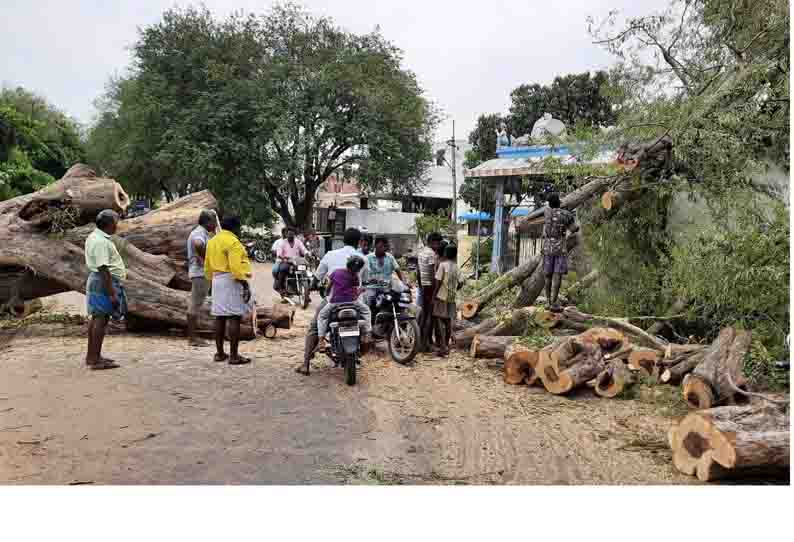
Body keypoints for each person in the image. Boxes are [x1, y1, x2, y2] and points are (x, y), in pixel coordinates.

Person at [298, 227, 369, 375]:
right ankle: (365, 337)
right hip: (355, 301)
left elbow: (317, 279)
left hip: (334, 300)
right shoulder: (364, 258)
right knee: (366, 314)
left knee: (314, 327)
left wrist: (312, 288)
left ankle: (305, 364)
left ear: (343, 240)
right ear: (359, 242)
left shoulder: (330, 255)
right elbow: (364, 283)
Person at [204, 215, 254, 365]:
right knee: (234, 317)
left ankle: (219, 353)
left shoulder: (212, 241)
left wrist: (211, 283)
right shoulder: (233, 242)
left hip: (216, 280)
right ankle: (233, 356)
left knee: (219, 317)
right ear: (235, 228)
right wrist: (245, 284)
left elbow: (207, 266)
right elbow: (235, 268)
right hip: (231, 280)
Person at [84, 209, 127, 370]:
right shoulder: (101, 241)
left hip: (100, 281)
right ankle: (95, 359)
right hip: (103, 282)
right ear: (109, 224)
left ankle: (93, 356)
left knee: (97, 318)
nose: (118, 225)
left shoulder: (96, 237)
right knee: (100, 320)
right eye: (116, 221)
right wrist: (112, 294)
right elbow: (103, 269)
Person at [315, 256, 372, 352]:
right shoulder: (355, 276)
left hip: (335, 302)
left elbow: (329, 287)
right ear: (359, 269)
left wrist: (326, 294)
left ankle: (321, 341)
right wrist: (361, 290)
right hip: (352, 302)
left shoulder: (336, 272)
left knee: (322, 316)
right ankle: (367, 333)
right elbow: (355, 292)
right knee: (366, 311)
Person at [542, 193, 579, 312]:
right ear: (558, 202)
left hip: (547, 247)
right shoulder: (565, 214)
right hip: (560, 248)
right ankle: (554, 303)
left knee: (548, 275)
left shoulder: (546, 212)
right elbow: (574, 228)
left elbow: (550, 209)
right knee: (557, 274)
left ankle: (547, 302)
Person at [185, 209, 217, 346]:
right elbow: (198, 244)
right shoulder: (199, 233)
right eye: (213, 221)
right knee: (195, 304)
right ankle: (192, 338)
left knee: (196, 303)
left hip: (200, 272)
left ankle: (194, 337)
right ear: (207, 221)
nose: (215, 224)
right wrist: (207, 259)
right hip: (200, 273)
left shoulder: (203, 232)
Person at [416, 232, 443, 352]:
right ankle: (425, 344)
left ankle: (421, 340)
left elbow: (417, 271)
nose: (438, 246)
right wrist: (434, 292)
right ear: (433, 242)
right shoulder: (432, 255)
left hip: (423, 286)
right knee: (429, 317)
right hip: (430, 287)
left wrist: (421, 286)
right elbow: (433, 274)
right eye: (438, 243)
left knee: (423, 314)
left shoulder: (421, 252)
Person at [433, 244, 460, 356]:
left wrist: (434, 295)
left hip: (441, 297)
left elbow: (438, 282)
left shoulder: (443, 265)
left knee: (438, 320)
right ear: (455, 255)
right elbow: (462, 282)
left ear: (445, 254)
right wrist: (454, 289)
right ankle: (447, 346)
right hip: (451, 298)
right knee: (448, 321)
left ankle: (443, 347)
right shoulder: (456, 267)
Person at [274, 228, 307, 293]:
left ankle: (307, 289)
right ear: (286, 234)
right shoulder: (282, 242)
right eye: (289, 234)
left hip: (297, 261)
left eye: (292, 234)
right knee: (283, 269)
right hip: (286, 261)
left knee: (305, 270)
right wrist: (283, 258)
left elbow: (304, 249)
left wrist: (307, 253)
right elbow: (279, 254)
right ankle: (281, 287)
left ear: (294, 234)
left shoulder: (298, 242)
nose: (290, 236)